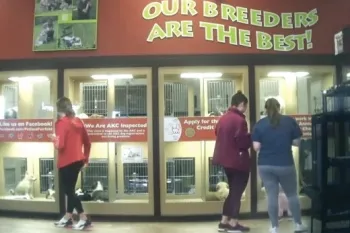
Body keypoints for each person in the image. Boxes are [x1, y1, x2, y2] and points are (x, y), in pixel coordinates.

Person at [251, 98, 308, 233]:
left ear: (265, 109)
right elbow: (297, 143)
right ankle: (298, 225)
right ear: (279, 107)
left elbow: (256, 147)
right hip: (285, 164)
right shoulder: (289, 121)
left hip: (265, 165)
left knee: (272, 196)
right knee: (292, 195)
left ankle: (274, 227)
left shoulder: (260, 124)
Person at [212, 90, 251, 233]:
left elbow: (217, 133)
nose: (245, 109)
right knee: (237, 193)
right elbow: (242, 142)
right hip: (238, 161)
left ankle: (223, 222)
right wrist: (251, 137)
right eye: (245, 106)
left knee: (233, 192)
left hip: (225, 161)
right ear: (241, 104)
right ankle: (233, 223)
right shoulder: (240, 120)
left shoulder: (222, 118)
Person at [52, 97, 92, 230]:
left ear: (59, 109)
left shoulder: (61, 123)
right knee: (71, 189)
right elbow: (88, 142)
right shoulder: (78, 121)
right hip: (78, 161)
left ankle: (83, 217)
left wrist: (53, 139)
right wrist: (85, 159)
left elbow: (60, 145)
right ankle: (68, 216)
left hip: (66, 162)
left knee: (68, 190)